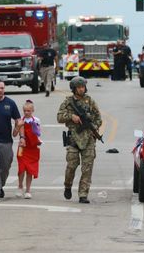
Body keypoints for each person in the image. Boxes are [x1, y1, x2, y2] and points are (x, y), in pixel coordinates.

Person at [57, 76, 102, 204]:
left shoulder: (90, 101)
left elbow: (99, 118)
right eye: (79, 87)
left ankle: (83, 194)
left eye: (83, 87)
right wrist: (71, 117)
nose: (82, 89)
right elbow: (59, 117)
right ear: (74, 89)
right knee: (71, 166)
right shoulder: (68, 102)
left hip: (88, 139)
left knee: (87, 168)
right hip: (74, 139)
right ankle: (68, 185)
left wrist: (94, 127)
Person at [13, 100, 41, 199]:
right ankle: (20, 186)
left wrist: (38, 139)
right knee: (21, 168)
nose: (26, 113)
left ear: (32, 110)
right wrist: (19, 125)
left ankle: (28, 190)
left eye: (28, 111)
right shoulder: (20, 120)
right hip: (22, 148)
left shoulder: (36, 120)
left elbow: (38, 134)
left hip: (32, 147)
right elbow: (14, 134)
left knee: (30, 169)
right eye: (25, 110)